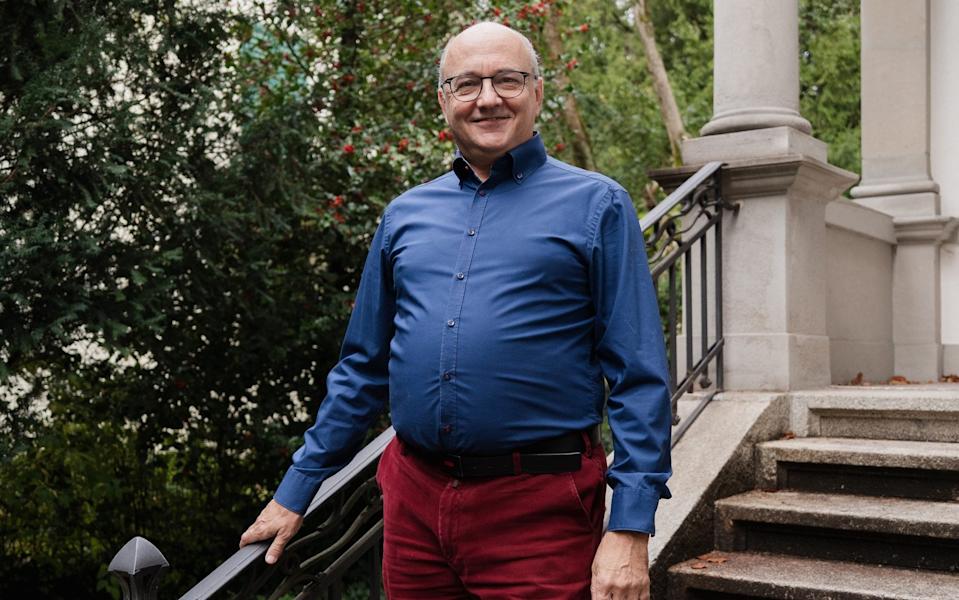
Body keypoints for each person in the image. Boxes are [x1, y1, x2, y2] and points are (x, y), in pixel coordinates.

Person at [240, 21, 672, 600]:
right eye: (467, 84)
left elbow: (639, 377)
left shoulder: (597, 205)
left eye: (508, 80)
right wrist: (297, 487)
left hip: (538, 510)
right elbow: (363, 367)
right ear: (444, 100)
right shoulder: (404, 216)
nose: (488, 98)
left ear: (537, 91)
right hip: (413, 502)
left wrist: (630, 528)